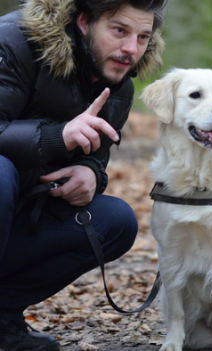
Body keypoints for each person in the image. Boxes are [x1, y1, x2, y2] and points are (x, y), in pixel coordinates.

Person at [0, 0, 166, 350]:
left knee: (116, 221)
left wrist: (91, 173)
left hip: (24, 209)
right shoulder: (14, 41)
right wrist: (55, 136)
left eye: (143, 37)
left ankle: (3, 319)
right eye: (119, 30)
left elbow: (97, 154)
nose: (130, 50)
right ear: (84, 21)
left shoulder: (119, 85)